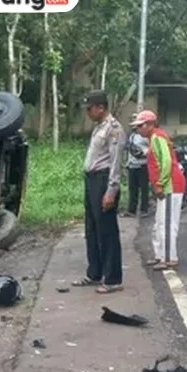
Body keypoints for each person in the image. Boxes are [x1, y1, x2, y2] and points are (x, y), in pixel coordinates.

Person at [72, 90, 125, 294]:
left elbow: (115, 163)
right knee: (92, 230)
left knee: (107, 231)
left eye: (89, 108)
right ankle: (95, 273)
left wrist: (111, 191)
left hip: (104, 181)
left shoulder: (114, 129)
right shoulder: (98, 128)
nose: (87, 112)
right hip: (92, 181)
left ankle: (113, 279)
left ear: (101, 107)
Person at [133, 110, 185, 271]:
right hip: (166, 185)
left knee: (167, 224)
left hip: (170, 186)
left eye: (140, 126)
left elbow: (166, 161)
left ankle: (169, 258)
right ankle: (160, 255)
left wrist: (160, 184)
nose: (138, 129)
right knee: (160, 223)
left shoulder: (158, 137)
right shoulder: (154, 138)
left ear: (150, 124)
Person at [122, 124, 151, 217]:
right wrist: (127, 163)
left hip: (142, 165)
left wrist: (144, 154)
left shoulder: (145, 137)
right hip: (132, 165)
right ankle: (131, 210)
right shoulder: (132, 136)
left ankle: (144, 209)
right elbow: (128, 150)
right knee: (132, 189)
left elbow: (151, 149)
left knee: (144, 188)